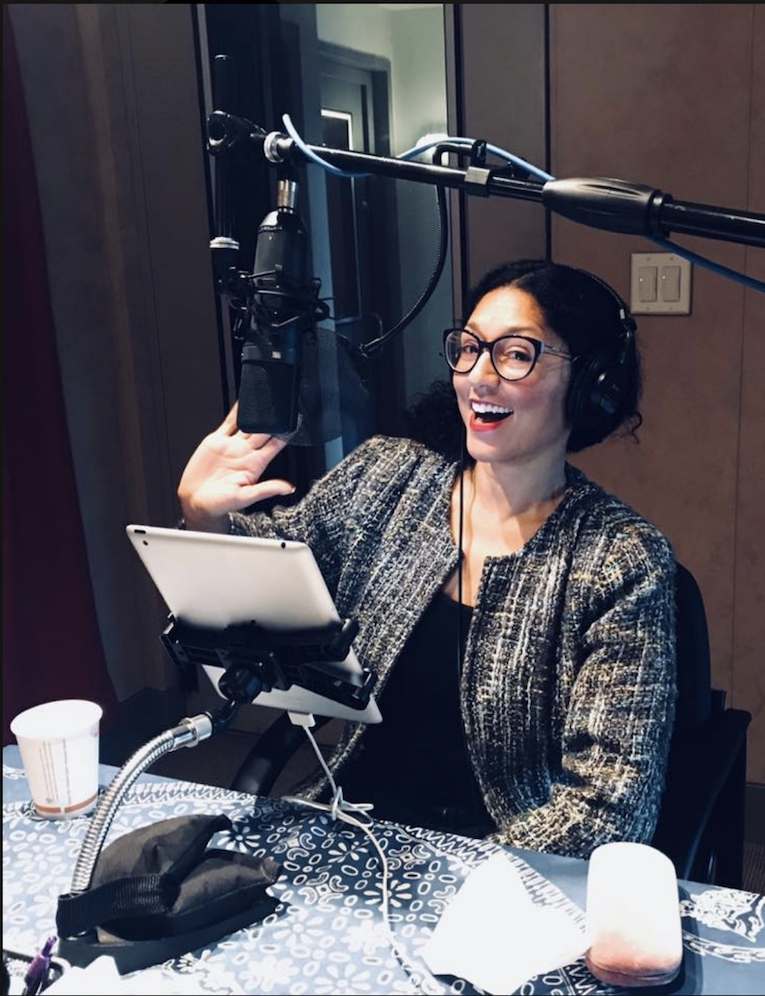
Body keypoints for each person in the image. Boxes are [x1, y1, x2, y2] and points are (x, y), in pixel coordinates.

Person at [177, 258, 677, 859]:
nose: (478, 377)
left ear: (593, 384)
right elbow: (277, 591)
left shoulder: (619, 558)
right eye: (468, 348)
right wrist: (204, 516)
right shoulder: (386, 474)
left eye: (516, 354)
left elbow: (610, 806)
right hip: (349, 828)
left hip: (513, 873)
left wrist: (456, 884)